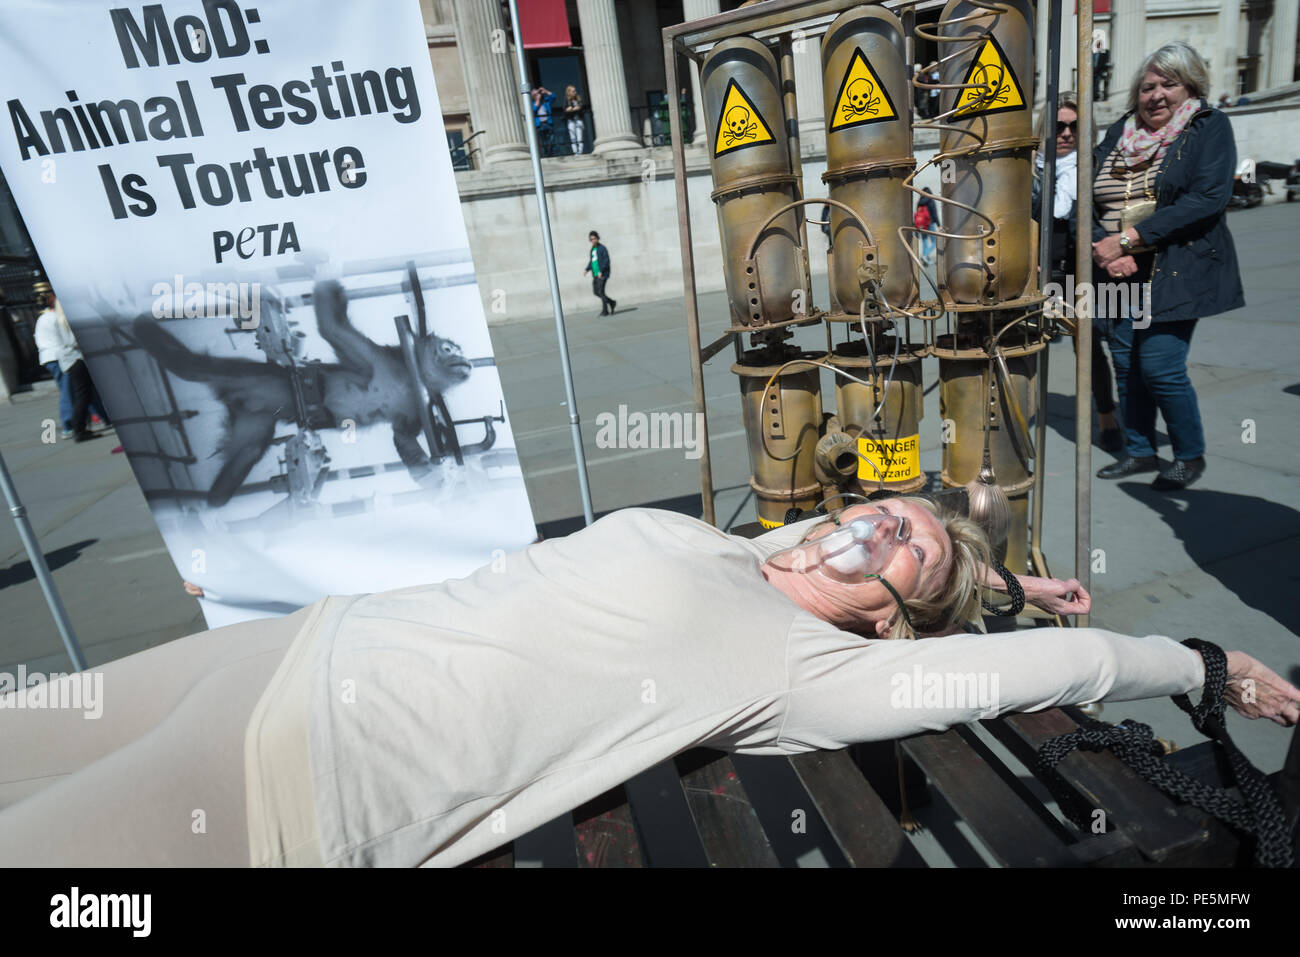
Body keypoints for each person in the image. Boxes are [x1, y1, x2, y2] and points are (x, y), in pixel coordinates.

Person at [1, 500, 1296, 867]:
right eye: (890, 505)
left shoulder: (814, 672)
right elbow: (996, 612)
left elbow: (1037, 667)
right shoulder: (723, 546)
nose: (885, 524)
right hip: (282, 647)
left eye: (909, 548)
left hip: (305, 781)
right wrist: (1010, 577)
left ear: (894, 616)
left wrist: (1195, 660)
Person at [1089, 41, 1242, 490]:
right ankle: (1139, 451)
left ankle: (1189, 454)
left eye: (1168, 84)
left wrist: (1128, 240)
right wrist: (1106, 247)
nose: (1156, 95)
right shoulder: (1119, 131)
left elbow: (1207, 199)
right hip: (1115, 267)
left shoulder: (1206, 127)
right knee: (1124, 363)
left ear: (1189, 85)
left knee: (1159, 365)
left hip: (1174, 267)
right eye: (1147, 87)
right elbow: (1088, 196)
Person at [1036, 93, 1121, 452]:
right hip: (1039, 273)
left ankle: (1107, 419)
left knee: (1088, 349)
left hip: (1081, 275)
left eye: (1075, 126)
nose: (1067, 133)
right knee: (1022, 348)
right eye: (1059, 126)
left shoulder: (1096, 169)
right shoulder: (1030, 170)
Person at [31, 283, 104, 443]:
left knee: (78, 392)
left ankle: (93, 419)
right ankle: (70, 426)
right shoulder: (54, 317)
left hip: (53, 356)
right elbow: (66, 341)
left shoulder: (44, 318)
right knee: (70, 393)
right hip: (61, 356)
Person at [584, 230, 616, 316]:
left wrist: (601, 271)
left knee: (601, 292)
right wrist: (587, 269)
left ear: (598, 238)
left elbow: (606, 261)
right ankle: (612, 302)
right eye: (591, 239)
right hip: (595, 274)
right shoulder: (592, 250)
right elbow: (592, 261)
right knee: (596, 292)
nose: (593, 240)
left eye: (594, 238)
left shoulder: (602, 248)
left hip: (602, 274)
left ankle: (605, 311)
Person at [530, 85, 556, 154]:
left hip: (548, 122)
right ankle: (546, 154)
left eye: (538, 93)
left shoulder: (545, 101)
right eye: (536, 93)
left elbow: (553, 97)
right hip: (540, 124)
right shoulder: (532, 103)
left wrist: (545, 91)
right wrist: (537, 99)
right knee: (544, 141)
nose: (538, 94)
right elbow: (534, 109)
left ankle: (552, 153)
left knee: (551, 140)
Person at [563, 84, 585, 155]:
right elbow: (566, 109)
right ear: (569, 92)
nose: (575, 92)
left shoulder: (578, 99)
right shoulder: (566, 100)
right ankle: (575, 152)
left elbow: (580, 107)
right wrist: (571, 109)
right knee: (573, 137)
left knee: (579, 136)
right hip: (571, 120)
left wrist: (572, 109)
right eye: (573, 91)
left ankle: (580, 151)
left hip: (578, 119)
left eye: (575, 91)